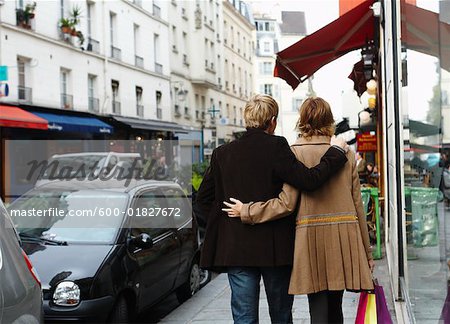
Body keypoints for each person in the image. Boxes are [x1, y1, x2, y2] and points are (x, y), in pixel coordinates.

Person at [196, 94, 349, 324]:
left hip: (237, 249)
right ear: (273, 121)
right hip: (275, 250)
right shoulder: (277, 147)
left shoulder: (222, 153)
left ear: (247, 119)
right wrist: (336, 154)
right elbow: (308, 181)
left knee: (244, 318)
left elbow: (202, 201)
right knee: (280, 316)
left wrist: (228, 227)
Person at [223, 97, 374, 324]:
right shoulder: (345, 153)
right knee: (336, 308)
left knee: (318, 309)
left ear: (302, 120)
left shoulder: (293, 152)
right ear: (329, 119)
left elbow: (286, 203)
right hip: (343, 237)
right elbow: (357, 205)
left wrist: (247, 211)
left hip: (309, 238)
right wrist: (367, 252)